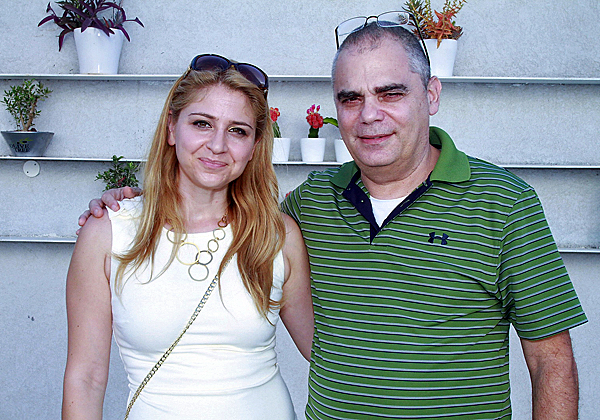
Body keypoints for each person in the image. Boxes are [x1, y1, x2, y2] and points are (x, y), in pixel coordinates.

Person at [81, 14, 588, 420]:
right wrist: (133, 205)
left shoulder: (504, 203)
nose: (369, 114)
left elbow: (551, 361)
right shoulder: (311, 205)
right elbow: (214, 217)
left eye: (390, 93)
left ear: (431, 95)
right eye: (351, 98)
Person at [63, 54, 313, 420]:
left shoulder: (277, 236)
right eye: (202, 123)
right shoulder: (108, 231)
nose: (217, 145)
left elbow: (328, 353)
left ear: (255, 146)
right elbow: (85, 378)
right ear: (171, 128)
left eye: (238, 131)